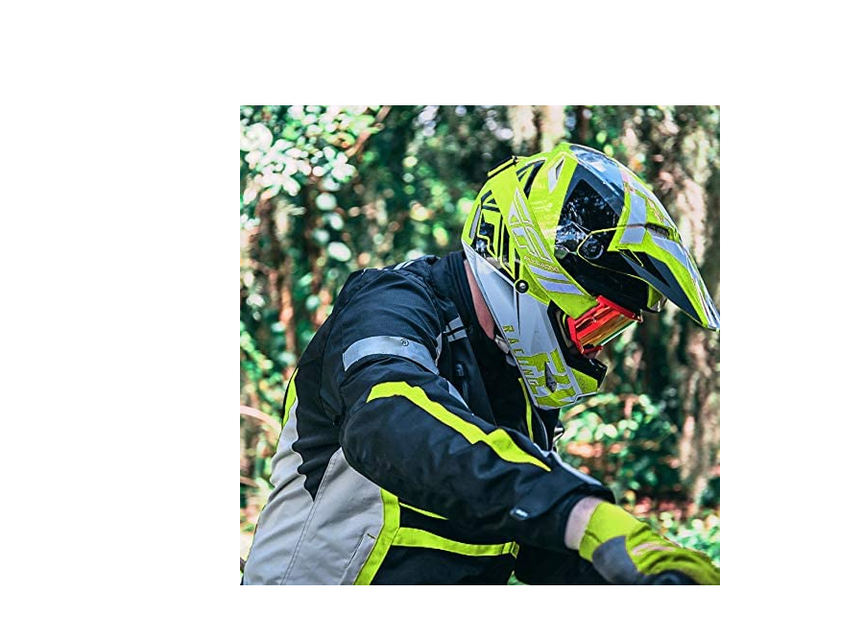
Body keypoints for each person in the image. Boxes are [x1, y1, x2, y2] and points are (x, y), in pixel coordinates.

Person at [242, 142, 721, 585]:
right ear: (534, 269)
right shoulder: (392, 304)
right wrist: (581, 513)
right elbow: (389, 422)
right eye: (596, 323)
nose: (597, 349)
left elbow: (532, 531)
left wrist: (636, 567)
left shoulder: (520, 381)